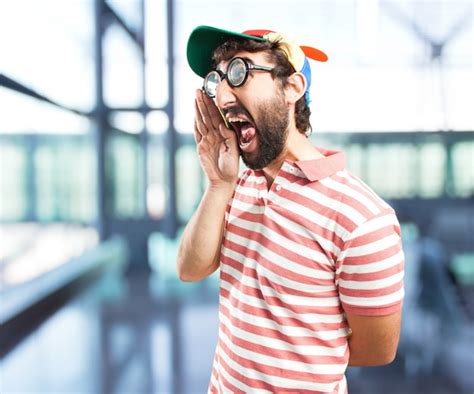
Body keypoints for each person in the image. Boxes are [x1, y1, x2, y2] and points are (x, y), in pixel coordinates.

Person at [177, 25, 405, 393]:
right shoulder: (238, 184)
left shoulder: (361, 217)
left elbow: (376, 349)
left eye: (239, 72)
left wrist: (302, 357)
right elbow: (190, 269)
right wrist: (218, 185)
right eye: (216, 79)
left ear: (292, 88)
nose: (221, 92)